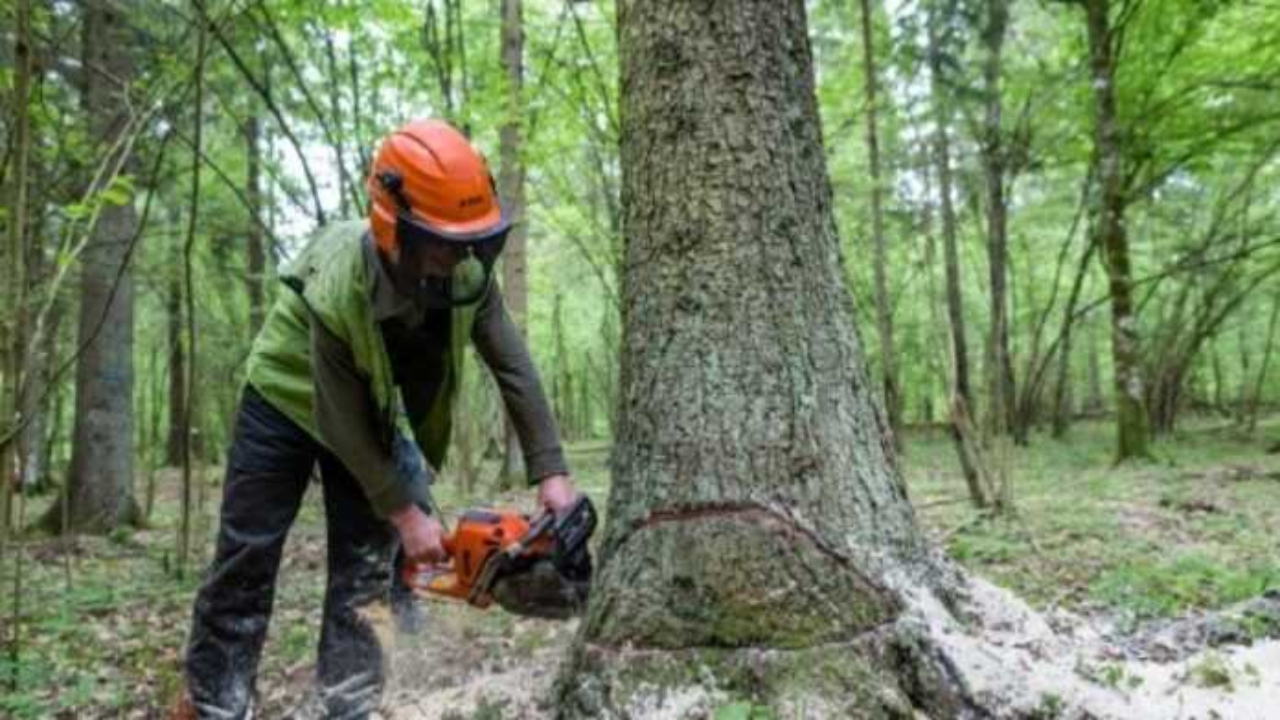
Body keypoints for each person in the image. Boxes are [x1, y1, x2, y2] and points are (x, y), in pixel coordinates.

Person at [179, 119, 580, 719]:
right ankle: (215, 701)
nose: (459, 256)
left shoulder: (467, 275)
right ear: (397, 229)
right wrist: (405, 512)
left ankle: (349, 704)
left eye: (470, 241)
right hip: (286, 398)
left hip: (369, 405)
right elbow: (337, 417)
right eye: (444, 242)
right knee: (248, 553)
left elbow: (512, 365)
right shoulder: (342, 284)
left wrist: (552, 471)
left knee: (365, 568)